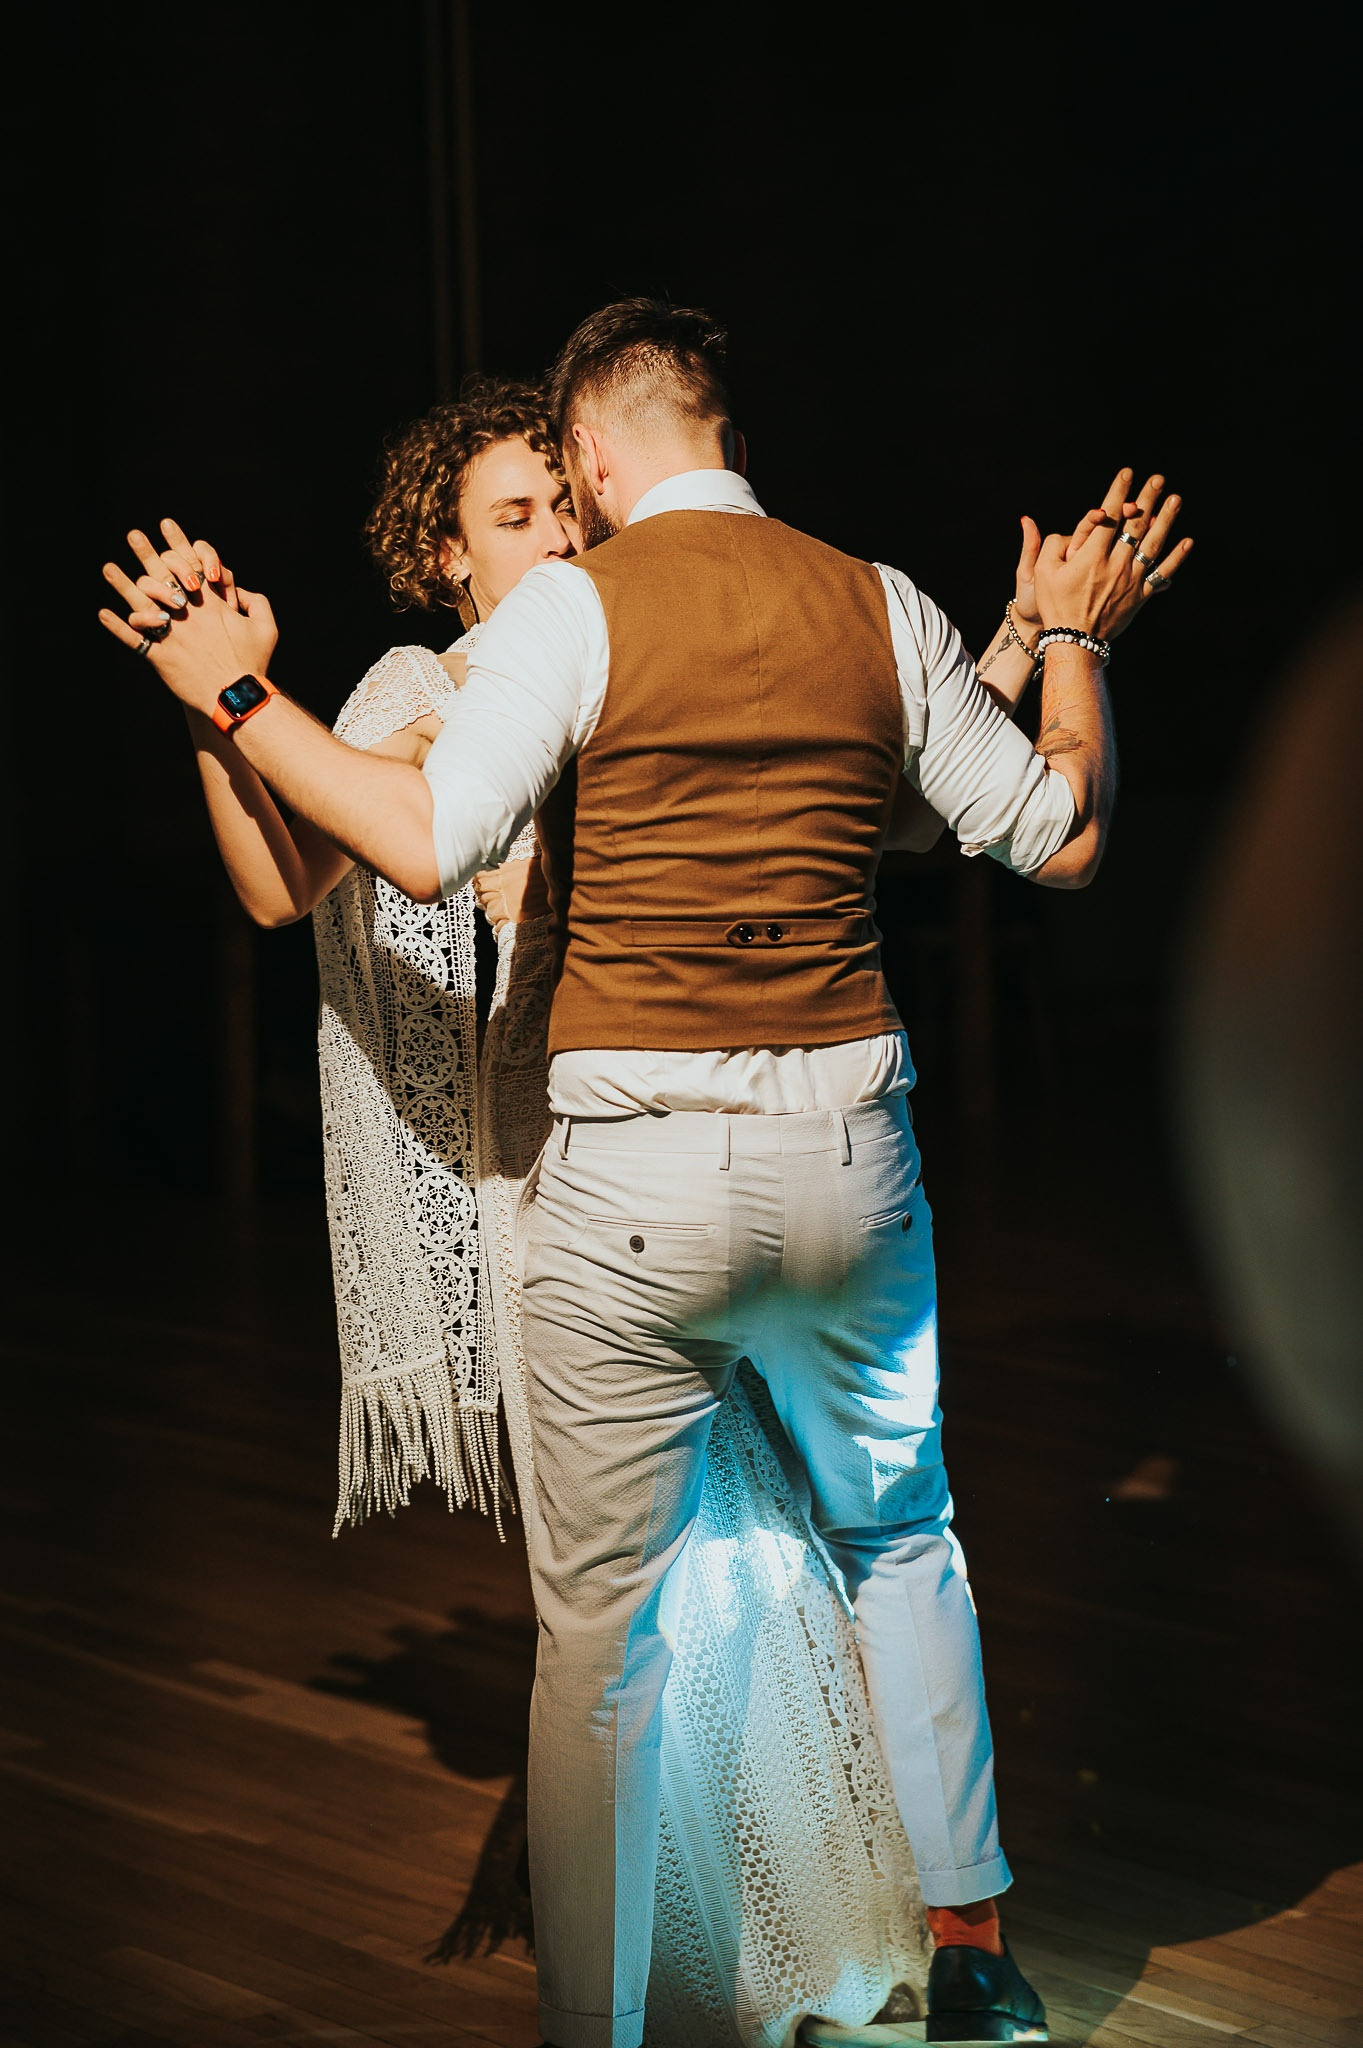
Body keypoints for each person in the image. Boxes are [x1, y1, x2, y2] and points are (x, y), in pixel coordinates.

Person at [99, 297, 1191, 2048]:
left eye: (561, 495)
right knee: (890, 1540)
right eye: (513, 514)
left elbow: (458, 834)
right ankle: (964, 1945)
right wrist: (1063, 645)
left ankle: (638, 2003)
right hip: (797, 1156)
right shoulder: (840, 599)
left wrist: (232, 687)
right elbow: (1023, 822)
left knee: (617, 1632)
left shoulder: (592, 625)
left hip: (629, 1189)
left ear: (599, 460)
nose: (556, 529)